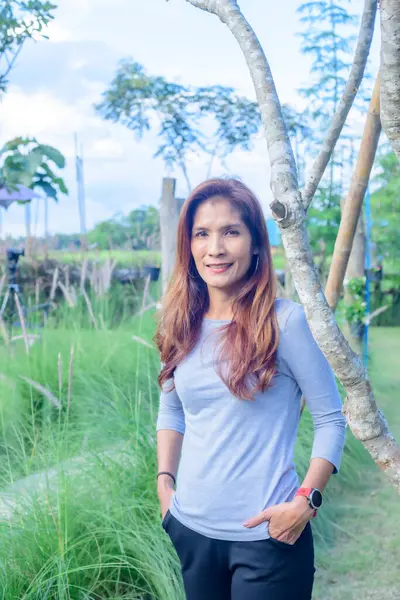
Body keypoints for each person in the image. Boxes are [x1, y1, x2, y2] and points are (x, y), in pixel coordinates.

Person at [154, 178, 347, 600]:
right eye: (202, 234)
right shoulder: (179, 323)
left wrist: (306, 501)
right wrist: (164, 486)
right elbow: (172, 412)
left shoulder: (286, 323)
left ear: (257, 244)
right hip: (191, 530)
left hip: (269, 537)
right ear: (189, 245)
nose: (215, 248)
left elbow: (332, 420)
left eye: (231, 232)